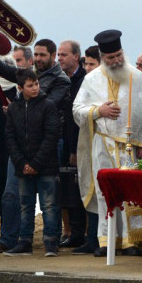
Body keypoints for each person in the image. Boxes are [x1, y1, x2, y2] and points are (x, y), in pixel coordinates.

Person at [71, 30, 142, 256]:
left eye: (118, 55)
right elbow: (76, 110)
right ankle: (107, 241)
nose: (116, 60)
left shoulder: (136, 76)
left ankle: (131, 241)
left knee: (130, 191)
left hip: (130, 145)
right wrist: (99, 110)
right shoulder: (91, 79)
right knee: (103, 191)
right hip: (103, 142)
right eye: (111, 58)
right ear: (102, 58)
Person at [4, 69, 62, 256]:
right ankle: (25, 242)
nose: (35, 88)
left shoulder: (48, 106)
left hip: (45, 166)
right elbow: (10, 137)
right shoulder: (14, 108)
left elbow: (51, 136)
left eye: (36, 84)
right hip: (23, 166)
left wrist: (36, 163)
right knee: (26, 205)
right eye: (30, 85)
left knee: (49, 205)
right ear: (20, 88)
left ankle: (51, 242)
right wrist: (22, 163)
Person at [57, 40, 87, 249]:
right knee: (67, 189)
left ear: (76, 56)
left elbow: (77, 119)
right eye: (58, 55)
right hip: (64, 140)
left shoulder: (83, 80)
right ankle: (71, 232)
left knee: (78, 188)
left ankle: (79, 233)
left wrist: (74, 148)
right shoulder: (62, 80)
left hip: (78, 143)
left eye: (64, 55)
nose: (60, 59)